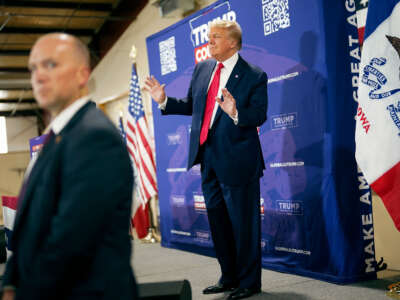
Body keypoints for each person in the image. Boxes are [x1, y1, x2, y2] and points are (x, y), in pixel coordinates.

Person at [1, 33, 137, 300]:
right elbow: (29, 230)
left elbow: (72, 241)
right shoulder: (57, 137)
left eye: (50, 65)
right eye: (33, 68)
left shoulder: (94, 138)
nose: (38, 76)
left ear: (81, 75)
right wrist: (9, 284)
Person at [144, 19, 268, 300]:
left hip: (239, 161)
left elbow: (259, 115)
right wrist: (164, 100)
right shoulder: (202, 69)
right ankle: (229, 278)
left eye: (216, 37)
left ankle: (249, 282)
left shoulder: (254, 75)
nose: (209, 42)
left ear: (233, 43)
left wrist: (236, 111)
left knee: (243, 224)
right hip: (207, 158)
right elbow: (192, 105)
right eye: (209, 37)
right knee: (219, 223)